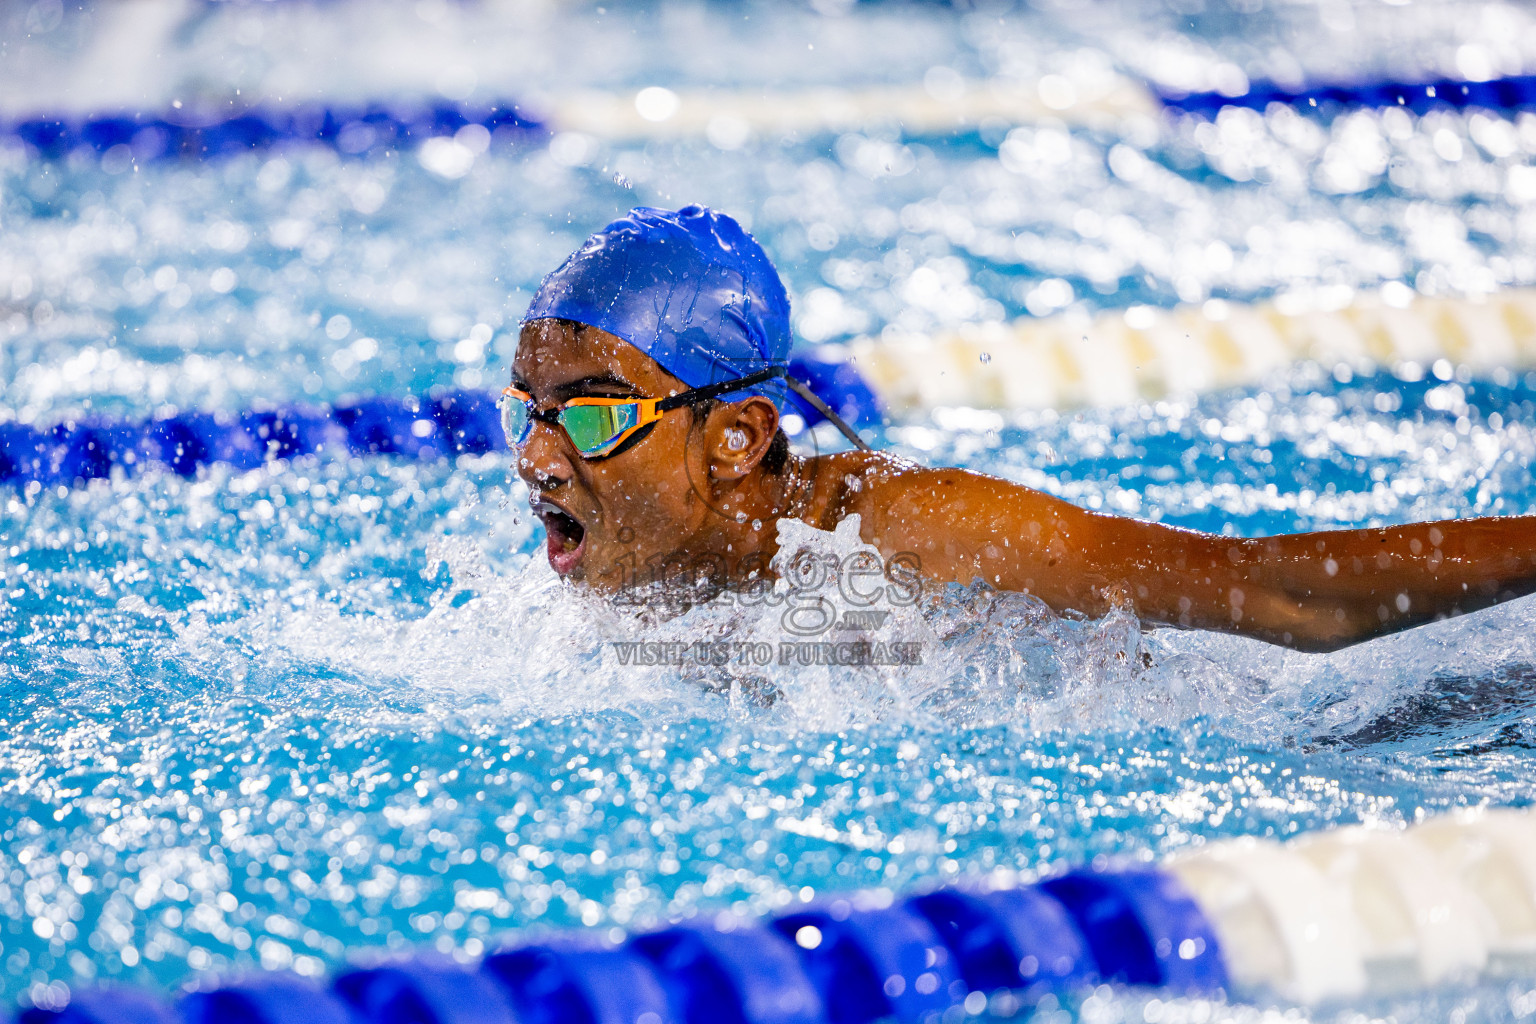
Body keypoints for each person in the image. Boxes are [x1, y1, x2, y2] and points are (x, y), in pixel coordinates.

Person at [504, 205, 1536, 652]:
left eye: (591, 415)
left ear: (736, 438)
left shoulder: (906, 535)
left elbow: (1270, 592)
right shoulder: (643, 579)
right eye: (531, 410)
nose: (535, 458)